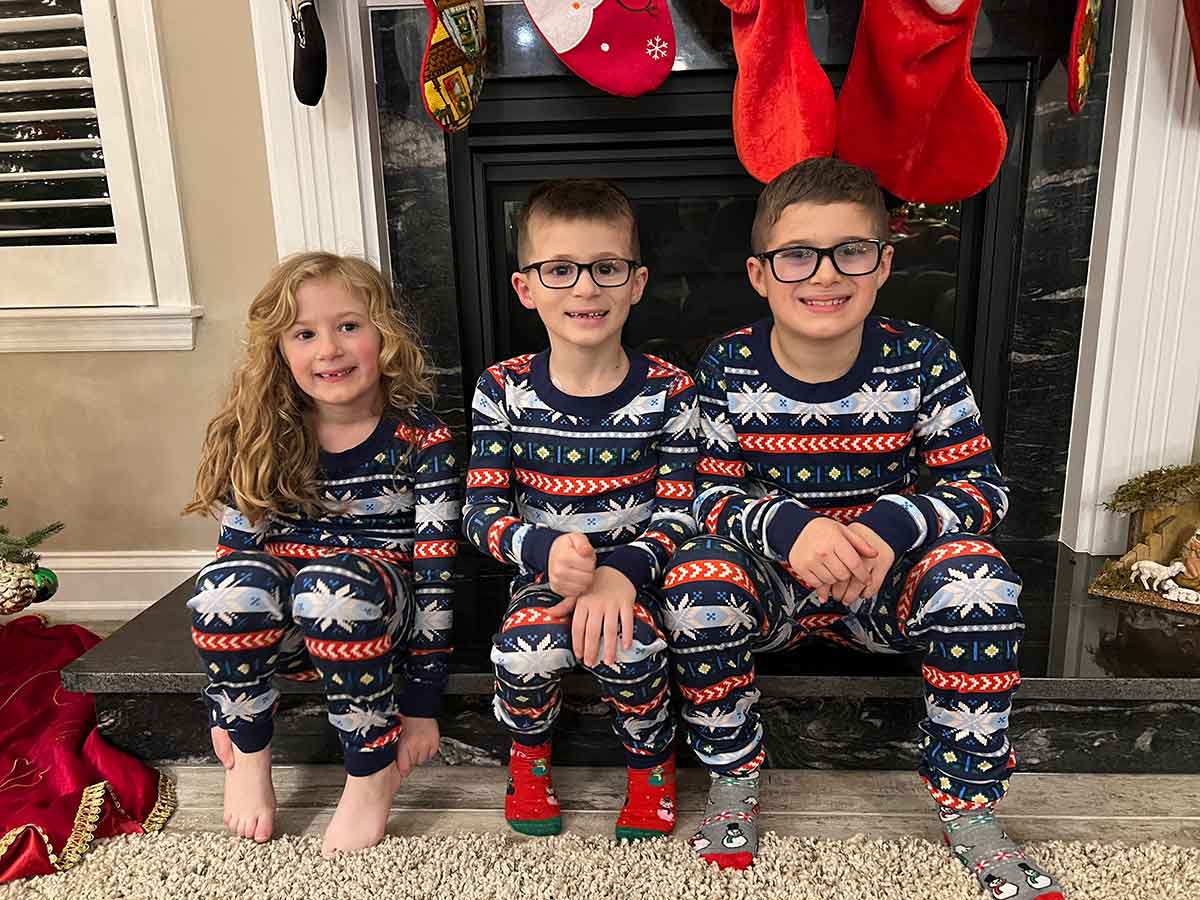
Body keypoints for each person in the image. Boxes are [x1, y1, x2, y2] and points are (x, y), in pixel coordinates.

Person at [661, 157, 1063, 899]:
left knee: (980, 581)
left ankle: (971, 806)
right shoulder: (728, 364)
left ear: (882, 264)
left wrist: (887, 527)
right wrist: (790, 529)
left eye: (850, 251)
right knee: (696, 582)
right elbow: (705, 493)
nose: (824, 274)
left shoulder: (922, 358)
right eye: (797, 255)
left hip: (884, 589)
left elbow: (981, 488)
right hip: (777, 590)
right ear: (760, 274)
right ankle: (733, 776)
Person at [184, 252, 460, 855]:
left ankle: (370, 771)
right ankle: (251, 760)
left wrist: (421, 702)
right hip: (290, 633)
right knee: (225, 583)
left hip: (372, 623)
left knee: (329, 586)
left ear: (384, 335)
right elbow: (231, 558)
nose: (329, 349)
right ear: (279, 351)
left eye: (349, 326)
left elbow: (436, 579)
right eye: (304, 334)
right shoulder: (262, 431)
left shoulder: (421, 436)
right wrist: (226, 711)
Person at [462, 179, 699, 840]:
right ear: (526, 288)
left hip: (635, 578)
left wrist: (619, 573)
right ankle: (528, 759)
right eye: (560, 270)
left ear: (637, 282)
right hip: (543, 578)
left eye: (606, 268)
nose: (586, 288)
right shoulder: (501, 388)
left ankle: (651, 768)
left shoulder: (671, 391)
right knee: (522, 654)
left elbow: (680, 514)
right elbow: (480, 511)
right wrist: (544, 552)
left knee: (634, 647)